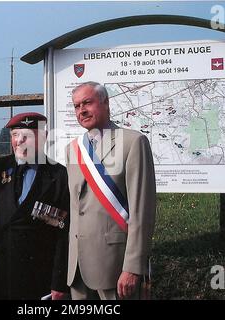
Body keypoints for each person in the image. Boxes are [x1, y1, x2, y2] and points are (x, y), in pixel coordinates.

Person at [66, 82, 156, 300]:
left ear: (106, 103)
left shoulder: (133, 142)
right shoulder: (73, 149)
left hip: (115, 266)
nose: (82, 111)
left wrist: (133, 267)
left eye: (87, 103)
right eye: (77, 106)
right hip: (77, 268)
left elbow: (142, 211)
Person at [0, 112, 70, 300]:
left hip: (39, 273)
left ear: (44, 137)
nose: (20, 141)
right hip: (3, 271)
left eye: (28, 136)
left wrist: (59, 282)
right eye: (15, 135)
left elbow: (63, 233)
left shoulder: (58, 175)